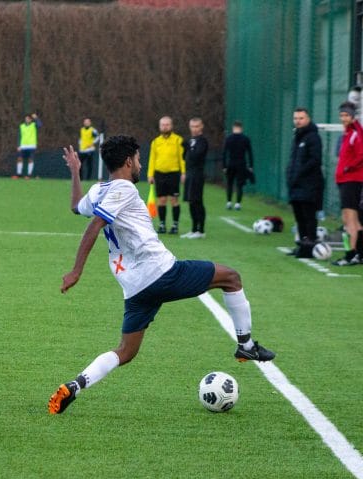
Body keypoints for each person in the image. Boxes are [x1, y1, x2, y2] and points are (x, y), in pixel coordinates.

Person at [48, 135, 275, 415]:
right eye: (139, 160)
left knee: (126, 352)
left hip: (134, 287)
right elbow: (95, 224)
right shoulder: (124, 189)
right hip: (162, 272)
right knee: (231, 278)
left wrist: (74, 172)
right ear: (129, 161)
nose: (140, 165)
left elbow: (75, 207)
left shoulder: (98, 190)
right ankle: (247, 345)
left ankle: (75, 385)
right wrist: (76, 271)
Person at [333, 101, 363, 266]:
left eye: (346, 115)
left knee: (349, 219)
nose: (343, 118)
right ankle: (361, 254)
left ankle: (350, 255)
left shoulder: (355, 132)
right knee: (356, 220)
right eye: (341, 115)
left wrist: (348, 168)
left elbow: (361, 156)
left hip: (351, 180)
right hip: (349, 180)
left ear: (353, 116)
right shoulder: (351, 132)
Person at [285, 108, 323, 258]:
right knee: (299, 217)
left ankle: (310, 246)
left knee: (308, 216)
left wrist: (299, 174)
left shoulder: (313, 137)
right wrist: (290, 175)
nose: (298, 121)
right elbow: (294, 160)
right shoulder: (297, 137)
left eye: (301, 118)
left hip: (309, 185)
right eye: (296, 118)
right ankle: (302, 245)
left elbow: (315, 160)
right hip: (296, 185)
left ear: (308, 119)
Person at [147, 116, 185, 234]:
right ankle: (162, 224)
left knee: (174, 199)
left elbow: (182, 158)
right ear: (159, 126)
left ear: (171, 126)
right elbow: (152, 159)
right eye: (163, 125)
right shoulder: (156, 142)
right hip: (159, 174)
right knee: (161, 200)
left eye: (167, 124)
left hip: (173, 173)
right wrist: (150, 174)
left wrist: (183, 172)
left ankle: (175, 225)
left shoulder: (178, 140)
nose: (165, 127)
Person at [181, 117, 208, 239]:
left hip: (197, 174)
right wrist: (185, 148)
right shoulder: (191, 140)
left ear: (201, 127)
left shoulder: (202, 141)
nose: (194, 129)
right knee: (191, 201)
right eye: (192, 126)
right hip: (189, 173)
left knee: (197, 201)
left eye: (197, 126)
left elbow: (197, 155)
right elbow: (184, 157)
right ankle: (193, 229)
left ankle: (200, 230)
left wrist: (189, 147)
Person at [222, 121, 254, 210]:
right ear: (241, 128)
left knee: (230, 183)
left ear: (233, 128)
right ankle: (237, 203)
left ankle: (229, 202)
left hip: (231, 163)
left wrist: (224, 166)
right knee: (239, 184)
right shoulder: (245, 139)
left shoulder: (229, 138)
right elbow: (250, 153)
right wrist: (251, 166)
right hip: (241, 163)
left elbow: (224, 153)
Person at [15, 112, 41, 179]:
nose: (27, 120)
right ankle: (18, 174)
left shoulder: (34, 125)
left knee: (30, 160)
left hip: (31, 146)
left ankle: (29, 175)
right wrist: (18, 145)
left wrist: (36, 118)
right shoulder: (22, 126)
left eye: (28, 119)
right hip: (23, 146)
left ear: (30, 120)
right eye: (26, 119)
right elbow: (19, 136)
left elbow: (40, 125)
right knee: (19, 159)